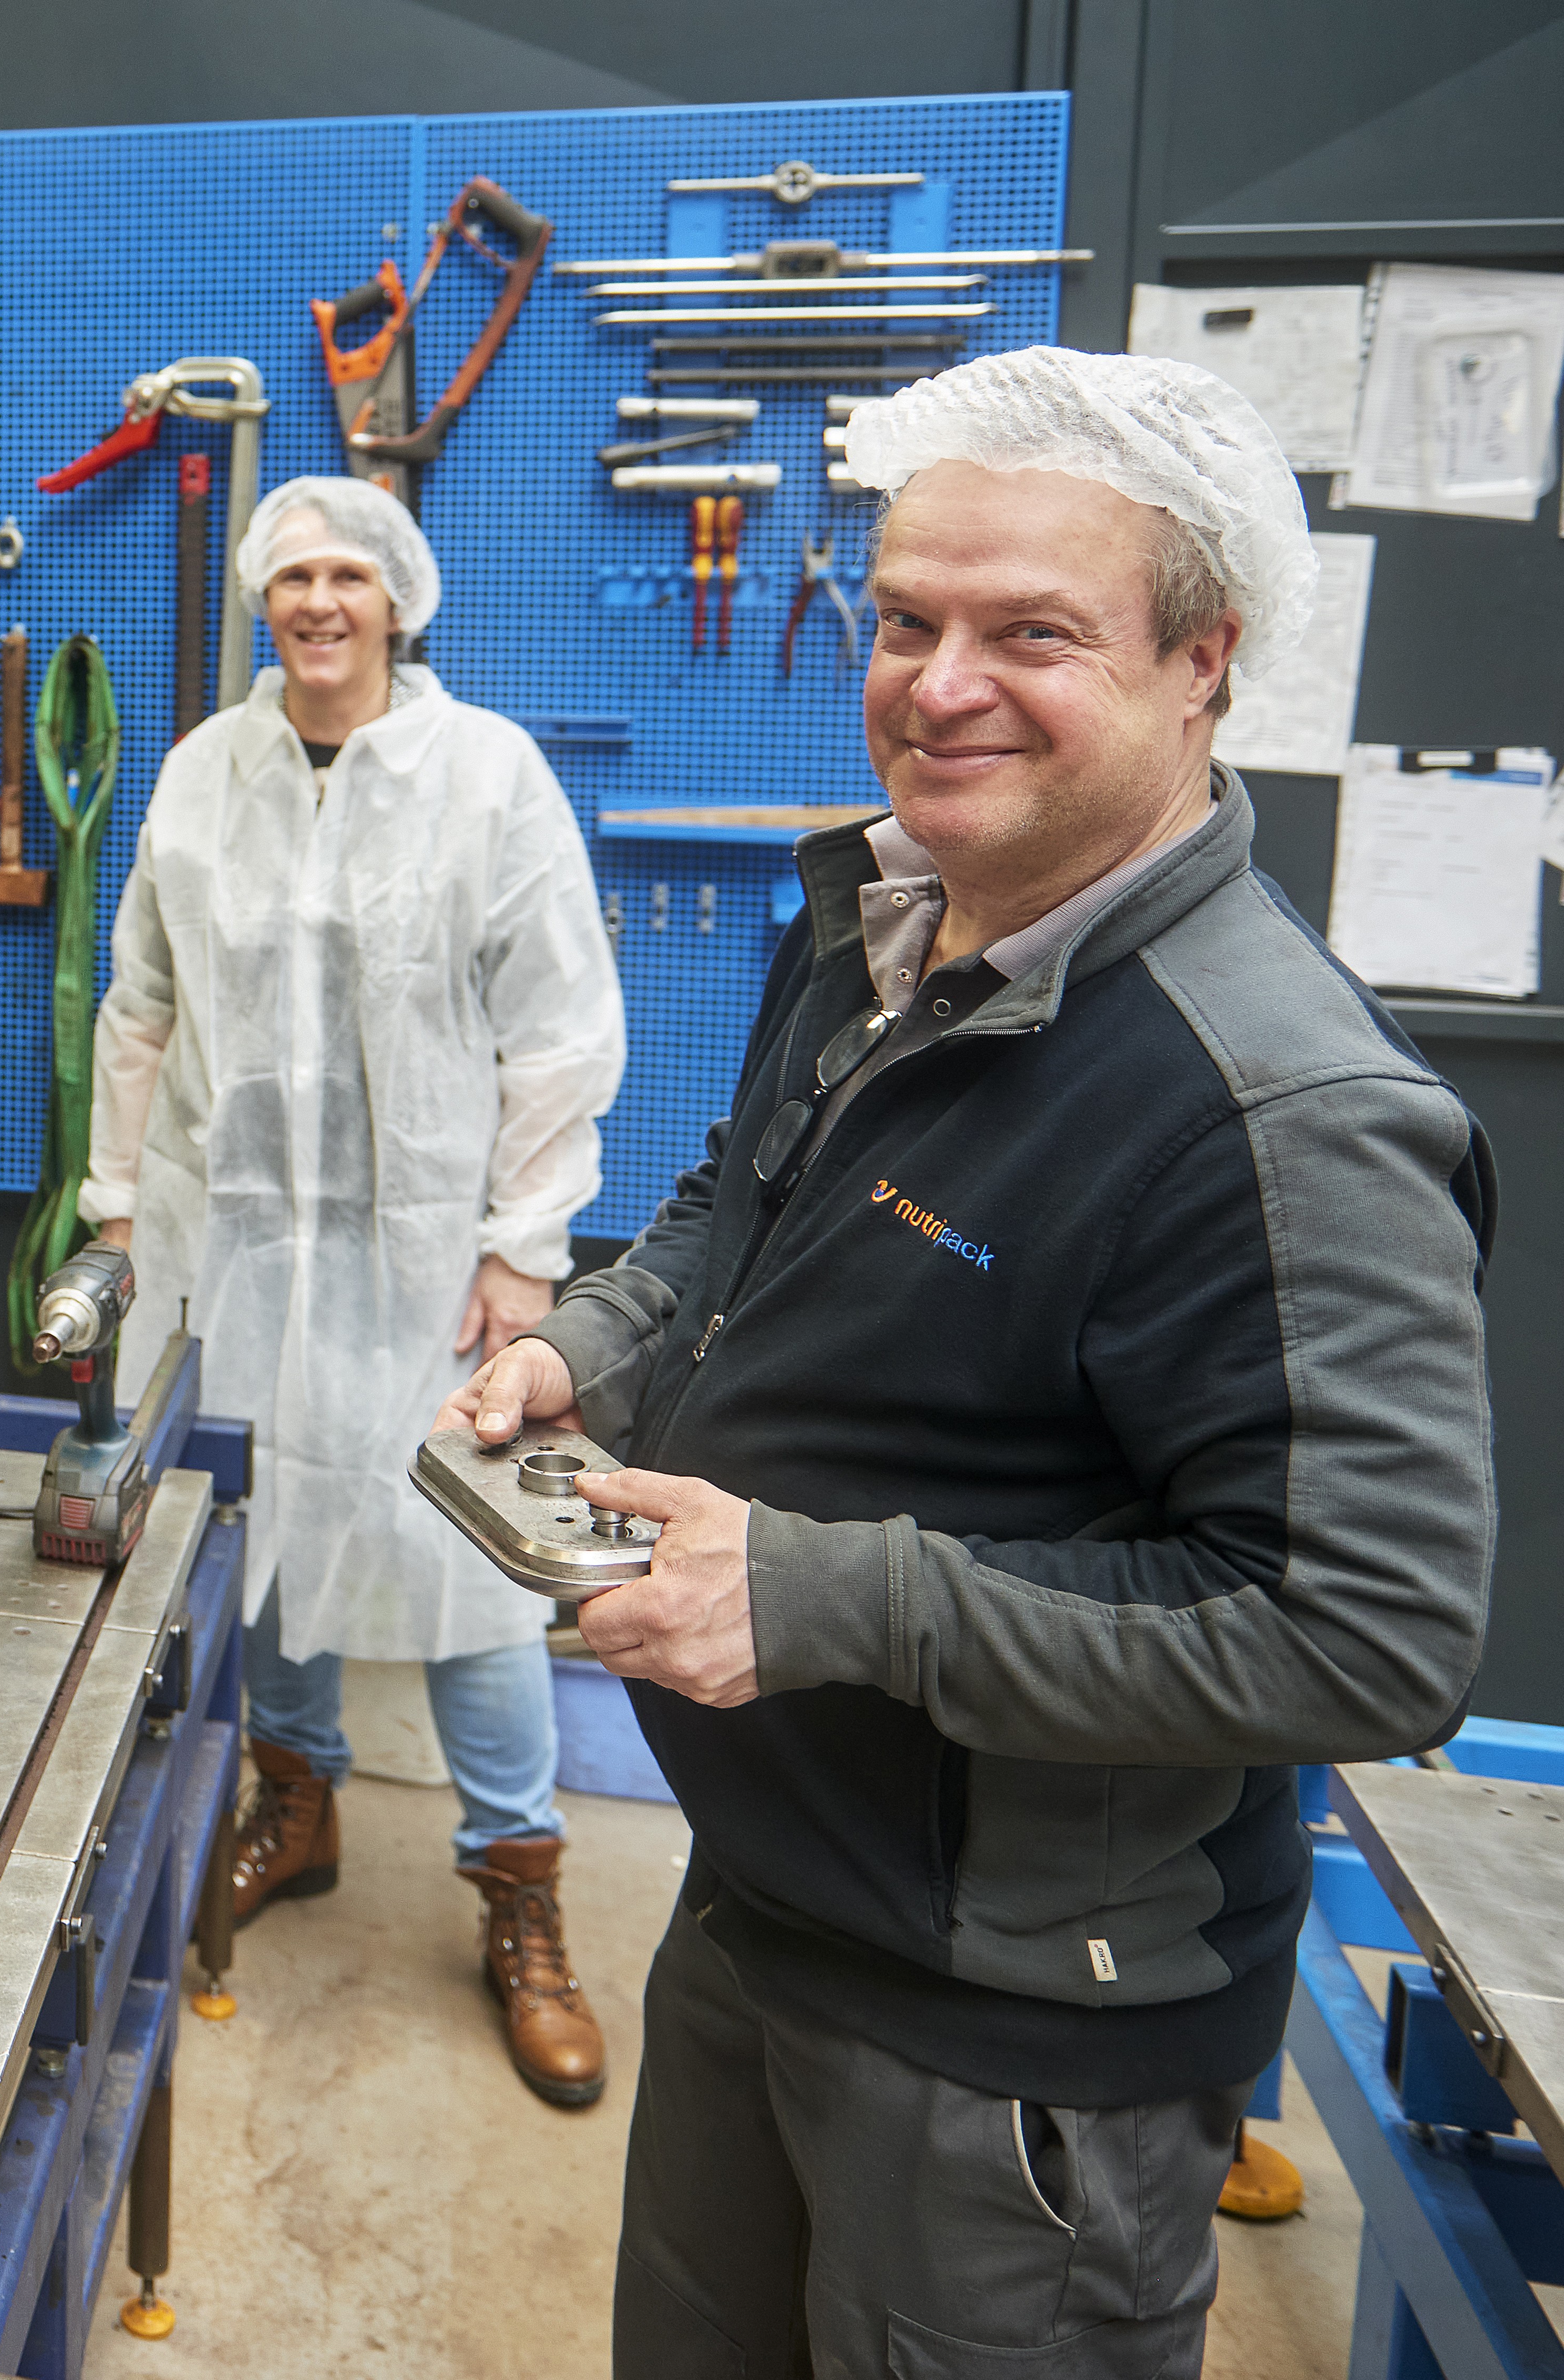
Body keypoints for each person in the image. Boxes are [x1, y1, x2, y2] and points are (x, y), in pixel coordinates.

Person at [438, 347, 1495, 2375]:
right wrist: (592, 1348)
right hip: (768, 1897)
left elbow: (1367, 1638)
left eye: (1033, 634)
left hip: (1023, 2047)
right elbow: (732, 1216)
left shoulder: (1281, 1112)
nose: (937, 686)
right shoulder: (880, 917)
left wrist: (823, 1595)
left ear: (1205, 662)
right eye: (907, 620)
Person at [85, 475, 628, 2106]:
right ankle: (298, 1798)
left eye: (349, 577)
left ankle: (520, 1891)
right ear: (265, 601)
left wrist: (528, 1242)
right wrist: (119, 1216)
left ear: (401, 600)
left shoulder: (486, 779)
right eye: (293, 576)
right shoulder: (203, 775)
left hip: (425, 1259)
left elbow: (561, 1018)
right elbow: (140, 1008)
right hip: (231, 1239)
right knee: (267, 1527)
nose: (320, 602)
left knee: (472, 1570)